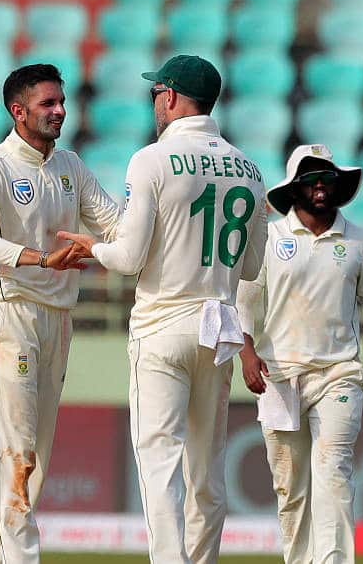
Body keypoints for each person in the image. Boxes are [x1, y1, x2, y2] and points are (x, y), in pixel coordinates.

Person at [58, 55, 268, 564]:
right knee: (206, 471)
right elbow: (253, 266)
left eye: (157, 93)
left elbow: (128, 258)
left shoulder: (151, 160)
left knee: (159, 466)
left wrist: (92, 249)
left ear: (171, 96)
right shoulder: (250, 168)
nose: (154, 102)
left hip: (163, 323)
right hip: (217, 326)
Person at [0, 64, 121, 564]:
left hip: (57, 319)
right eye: (48, 104)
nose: (60, 111)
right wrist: (40, 258)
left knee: (32, 461)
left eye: (61, 102)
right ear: (18, 111)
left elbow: (114, 224)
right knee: (17, 456)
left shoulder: (69, 165)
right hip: (9, 316)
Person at [235, 143, 363, 563]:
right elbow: (244, 302)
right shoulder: (270, 237)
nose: (321, 186)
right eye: (311, 179)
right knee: (291, 489)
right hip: (279, 376)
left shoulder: (360, 239)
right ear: (294, 188)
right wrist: (246, 353)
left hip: (338, 373)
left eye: (327, 179)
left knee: (334, 476)